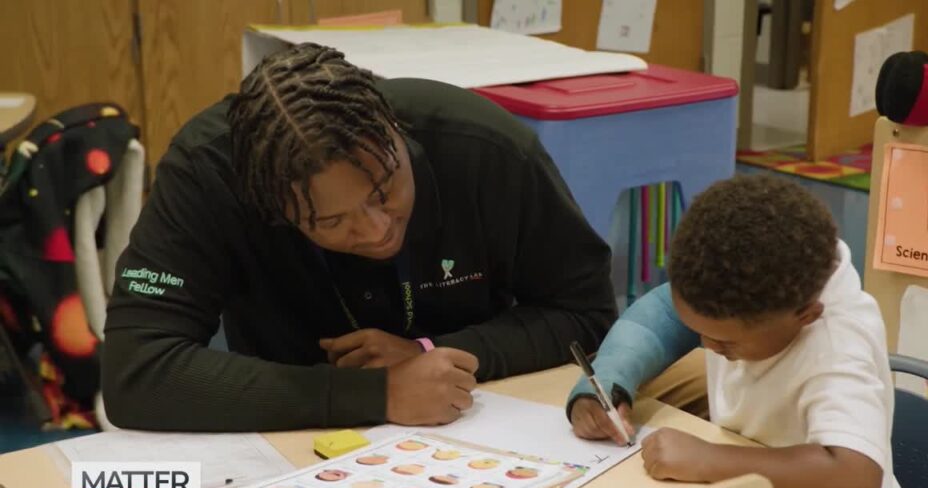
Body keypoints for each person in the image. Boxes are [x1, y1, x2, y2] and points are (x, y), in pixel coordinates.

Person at [102, 43, 616, 431]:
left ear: (395, 127)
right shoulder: (209, 173)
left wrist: (433, 351)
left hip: (478, 426)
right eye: (329, 222)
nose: (375, 229)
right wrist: (374, 395)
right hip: (289, 439)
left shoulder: (484, 147)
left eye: (385, 188)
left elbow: (586, 313)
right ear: (269, 206)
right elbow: (135, 373)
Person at [566, 174, 904, 488]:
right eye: (698, 329)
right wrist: (607, 384)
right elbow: (661, 317)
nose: (706, 344)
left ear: (805, 316)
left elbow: (854, 478)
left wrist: (708, 460)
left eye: (725, 343)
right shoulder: (739, 289)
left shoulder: (837, 344)